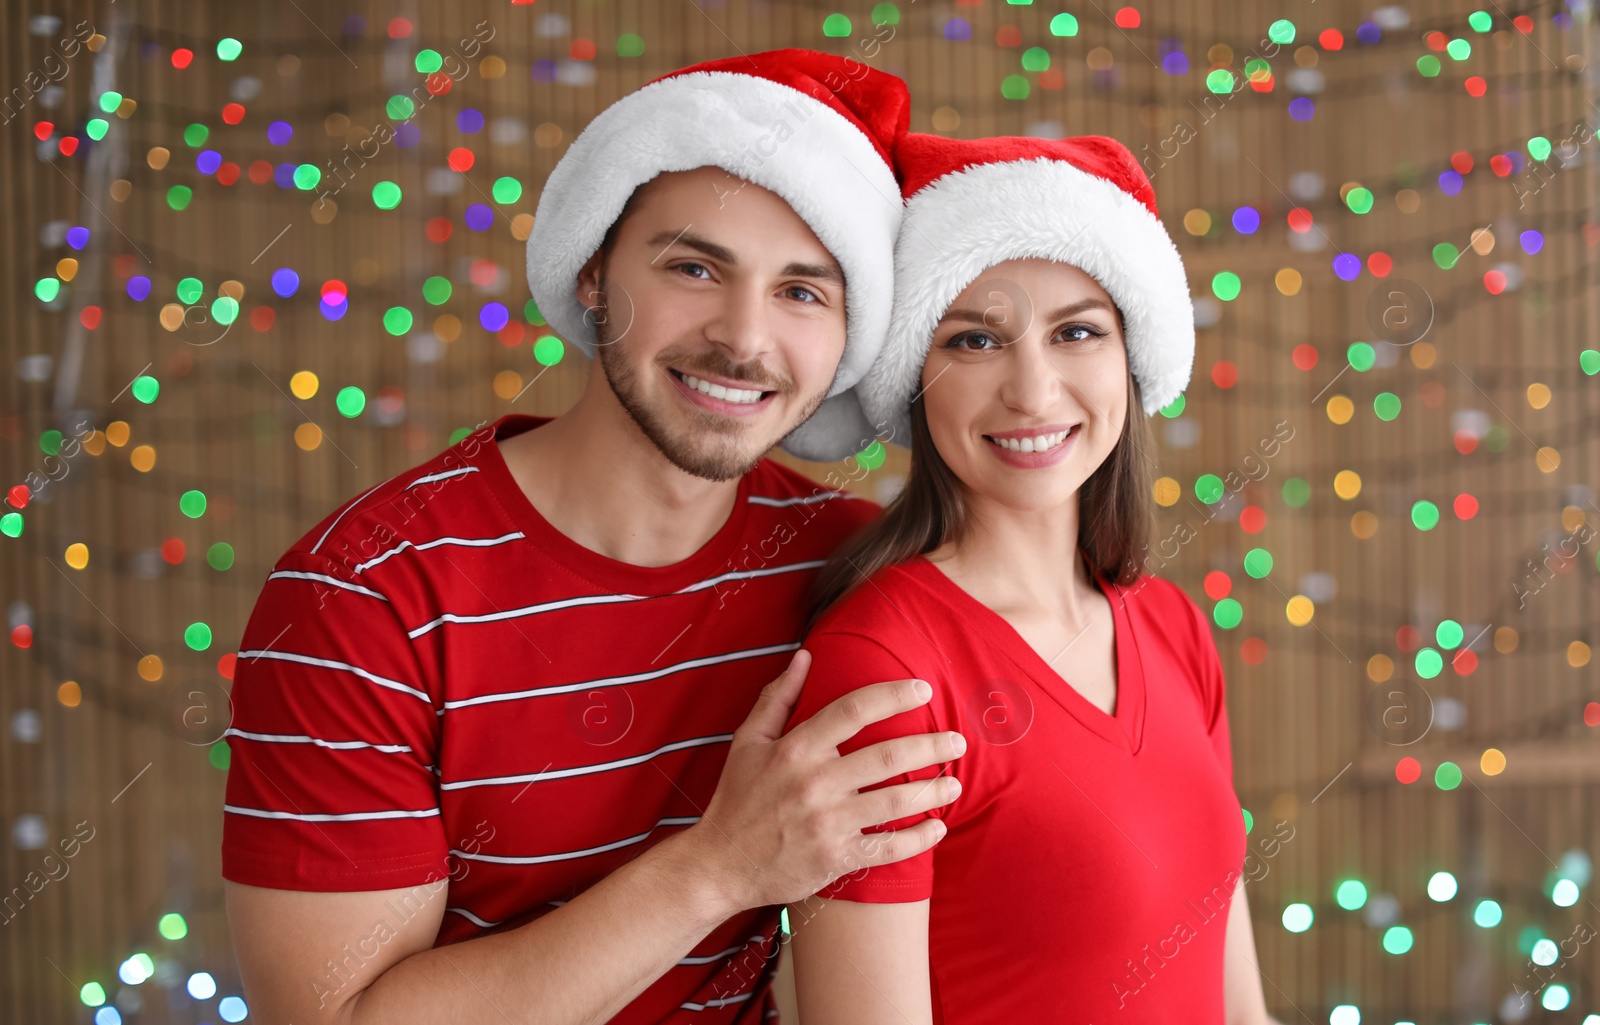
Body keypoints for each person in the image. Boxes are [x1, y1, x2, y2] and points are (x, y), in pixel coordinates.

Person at [221, 51, 964, 1025]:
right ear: (593, 270)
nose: (743, 338)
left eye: (802, 291)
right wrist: (719, 867)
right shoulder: (362, 593)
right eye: (694, 267)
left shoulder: (852, 571)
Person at [781, 132, 1282, 1023]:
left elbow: (1239, 1006)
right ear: (915, 377)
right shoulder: (883, 664)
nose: (1033, 391)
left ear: (1130, 358)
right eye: (975, 339)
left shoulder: (1172, 626)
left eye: (1077, 331)